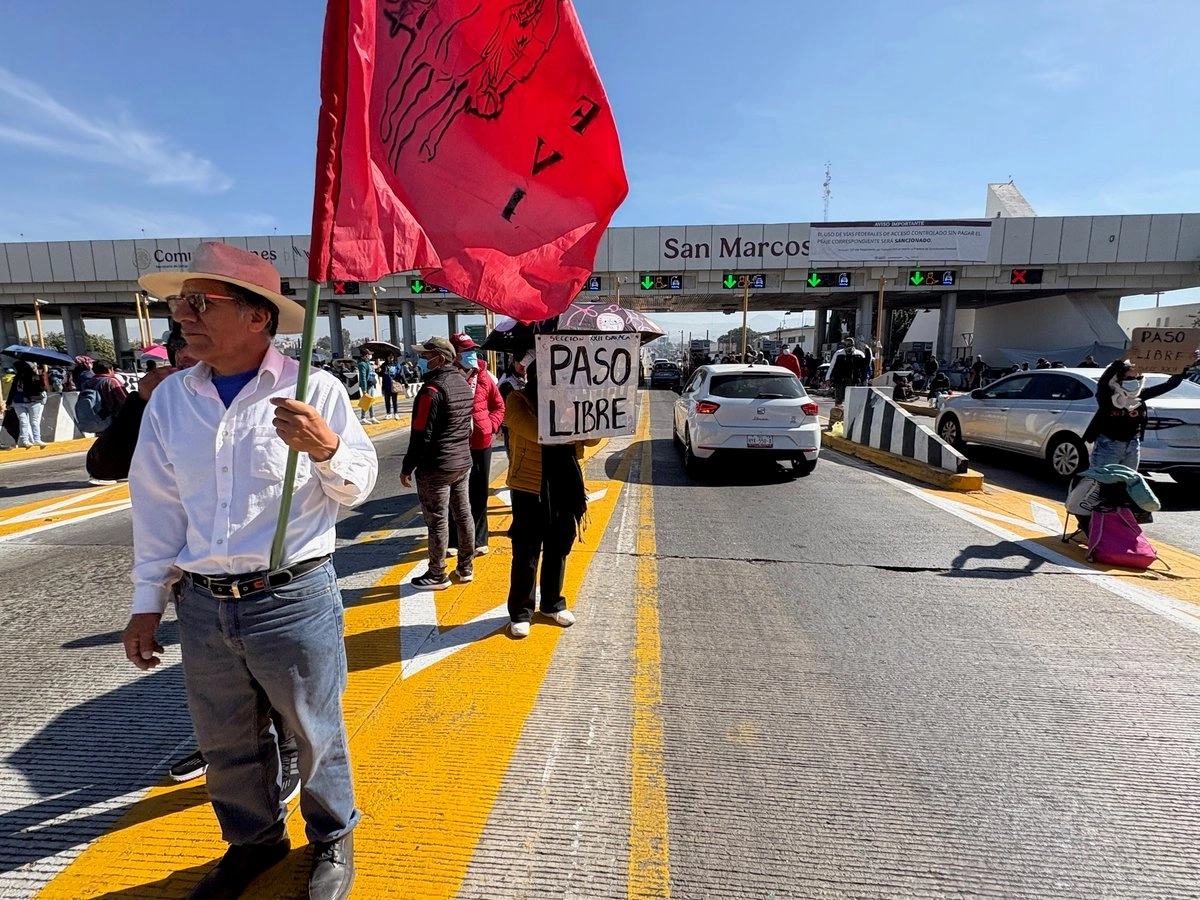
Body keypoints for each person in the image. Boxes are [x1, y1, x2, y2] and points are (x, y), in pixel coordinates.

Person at [121, 242, 376, 900]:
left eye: (201, 302)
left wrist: (326, 450)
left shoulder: (312, 389)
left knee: (314, 731)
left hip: (293, 598)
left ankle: (332, 835)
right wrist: (148, 600)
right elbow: (157, 506)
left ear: (258, 317)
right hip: (204, 605)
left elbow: (356, 486)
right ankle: (253, 842)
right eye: (180, 303)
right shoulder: (174, 400)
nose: (183, 315)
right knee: (225, 741)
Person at [502, 365, 597, 638]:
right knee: (526, 550)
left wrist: (583, 414)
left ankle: (552, 603)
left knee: (559, 545)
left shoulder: (576, 400)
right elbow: (534, 431)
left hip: (566, 483)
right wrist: (570, 422)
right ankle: (520, 612)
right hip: (528, 485)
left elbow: (593, 437)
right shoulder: (518, 399)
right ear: (535, 376)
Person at [400, 336, 475, 590]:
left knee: (437, 520)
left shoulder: (431, 391)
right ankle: (466, 567)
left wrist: (408, 466)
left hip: (436, 466)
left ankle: (436, 574)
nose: (421, 360)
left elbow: (421, 434)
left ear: (440, 359)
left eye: (425, 356)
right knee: (463, 514)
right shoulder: (463, 384)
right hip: (462, 461)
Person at [1083, 352, 1199, 470]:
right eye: (1130, 378)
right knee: (1100, 482)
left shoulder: (1140, 396)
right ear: (1118, 379)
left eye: (1138, 378)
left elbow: (1170, 384)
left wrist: (1186, 365)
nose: (1135, 381)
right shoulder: (1107, 396)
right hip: (1109, 444)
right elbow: (1104, 379)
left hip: (1132, 445)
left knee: (1128, 483)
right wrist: (1124, 358)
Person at [448, 333, 505, 555]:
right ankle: (453, 540)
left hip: (481, 444)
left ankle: (480, 539)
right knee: (454, 493)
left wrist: (489, 426)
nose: (471, 355)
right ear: (454, 355)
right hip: (455, 445)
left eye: (473, 350)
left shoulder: (484, 376)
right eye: (466, 351)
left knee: (479, 493)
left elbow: (499, 406)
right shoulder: (447, 378)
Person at [6, 359, 47, 448]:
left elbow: (41, 388)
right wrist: (9, 402)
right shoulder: (17, 378)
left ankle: (36, 439)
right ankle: (26, 440)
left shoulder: (34, 377)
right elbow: (12, 390)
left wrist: (39, 377)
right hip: (19, 402)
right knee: (24, 421)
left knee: (33, 421)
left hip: (33, 402)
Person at [828, 337, 865, 405]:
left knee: (852, 399)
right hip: (840, 380)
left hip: (854, 380)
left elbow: (865, 367)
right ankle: (838, 414)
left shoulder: (859, 354)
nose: (847, 346)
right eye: (846, 343)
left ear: (853, 344)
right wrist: (828, 378)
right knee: (839, 399)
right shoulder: (838, 353)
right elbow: (832, 366)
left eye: (849, 343)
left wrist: (864, 379)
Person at [355, 348, 378, 424]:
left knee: (370, 401)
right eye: (369, 354)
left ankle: (372, 416)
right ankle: (363, 417)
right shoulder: (362, 364)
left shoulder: (367, 363)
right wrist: (364, 389)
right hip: (366, 385)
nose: (370, 356)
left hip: (371, 384)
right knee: (366, 401)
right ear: (365, 356)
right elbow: (363, 377)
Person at [380, 353, 401, 420]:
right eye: (389, 356)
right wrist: (378, 371)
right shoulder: (384, 365)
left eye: (392, 356)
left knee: (394, 400)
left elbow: (401, 374)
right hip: (386, 385)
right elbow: (381, 374)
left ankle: (396, 413)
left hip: (394, 385)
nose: (391, 357)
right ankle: (388, 413)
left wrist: (404, 383)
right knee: (387, 400)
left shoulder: (397, 365)